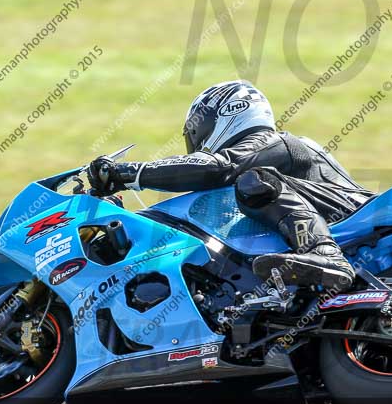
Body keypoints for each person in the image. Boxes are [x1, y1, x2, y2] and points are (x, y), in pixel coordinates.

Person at [87, 80, 374, 289]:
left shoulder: (274, 142)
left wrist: (129, 174)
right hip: (341, 224)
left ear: (230, 112)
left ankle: (325, 254)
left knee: (257, 182)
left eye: (197, 132)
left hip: (352, 220)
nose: (196, 145)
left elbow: (217, 168)